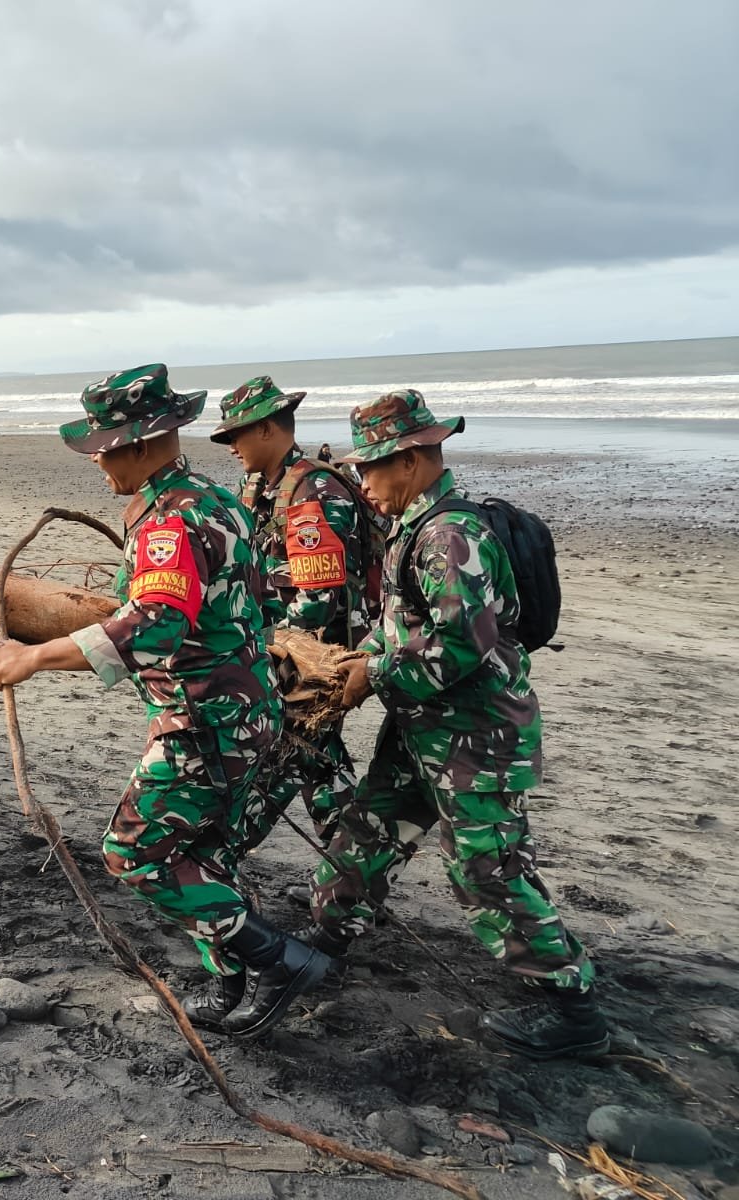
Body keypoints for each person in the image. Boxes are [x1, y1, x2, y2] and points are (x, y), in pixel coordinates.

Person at [0, 365, 327, 1038]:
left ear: (139, 444)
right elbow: (250, 603)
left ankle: (280, 962)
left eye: (102, 448)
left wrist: (33, 657)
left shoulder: (170, 520)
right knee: (203, 851)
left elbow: (155, 625)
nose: (97, 462)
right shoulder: (218, 500)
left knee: (134, 852)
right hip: (243, 712)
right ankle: (231, 980)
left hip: (204, 723)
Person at [314, 390, 605, 1060]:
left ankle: (573, 1010)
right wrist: (368, 658)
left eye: (372, 468)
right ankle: (326, 942)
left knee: (487, 869)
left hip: (477, 738)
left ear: (412, 460)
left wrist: (373, 674)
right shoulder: (414, 525)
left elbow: (461, 644)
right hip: (423, 731)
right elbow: (404, 625)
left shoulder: (450, 535)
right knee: (367, 831)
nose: (364, 483)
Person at [210, 377, 372, 891]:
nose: (231, 447)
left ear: (266, 429)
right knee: (319, 767)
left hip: (312, 660)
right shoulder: (263, 486)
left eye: (236, 435)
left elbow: (319, 596)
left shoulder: (311, 492)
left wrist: (268, 652)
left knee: (286, 757)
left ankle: (218, 862)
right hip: (284, 651)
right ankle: (353, 881)